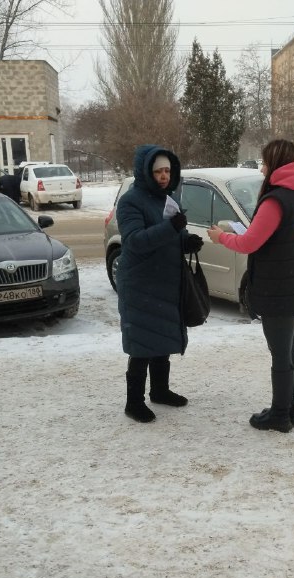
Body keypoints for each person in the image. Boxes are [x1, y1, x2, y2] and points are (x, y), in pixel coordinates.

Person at [206, 139, 294, 433]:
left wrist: (221, 237)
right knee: (291, 350)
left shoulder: (275, 201)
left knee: (281, 354)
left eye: (266, 162)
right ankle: (292, 409)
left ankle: (280, 415)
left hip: (279, 288)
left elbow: (249, 243)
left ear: (275, 164)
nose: (262, 168)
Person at [116, 144, 204, 423]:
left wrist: (186, 241)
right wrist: (172, 228)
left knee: (162, 337)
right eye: (158, 172)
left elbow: (170, 235)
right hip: (140, 283)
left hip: (165, 280)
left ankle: (160, 390)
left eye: (167, 171)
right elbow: (135, 241)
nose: (164, 176)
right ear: (146, 173)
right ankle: (134, 402)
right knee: (142, 344)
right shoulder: (130, 202)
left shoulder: (167, 199)